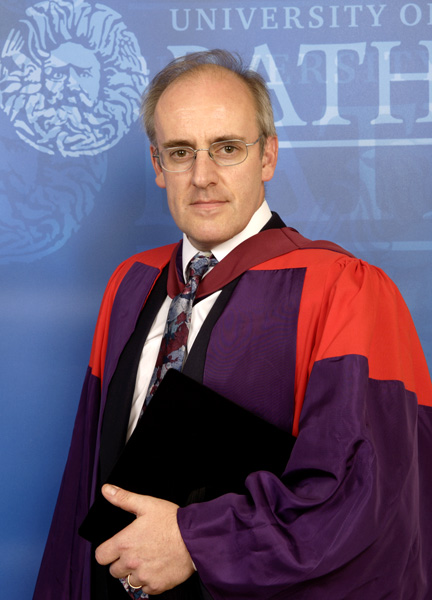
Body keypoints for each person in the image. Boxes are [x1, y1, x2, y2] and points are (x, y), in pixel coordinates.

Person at [34, 49, 432, 600]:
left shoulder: (343, 288)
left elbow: (366, 497)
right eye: (180, 152)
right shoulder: (131, 285)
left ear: (267, 155)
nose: (203, 177)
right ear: (157, 164)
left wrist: (196, 542)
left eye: (227, 148)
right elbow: (86, 474)